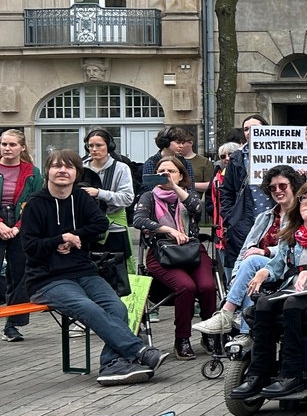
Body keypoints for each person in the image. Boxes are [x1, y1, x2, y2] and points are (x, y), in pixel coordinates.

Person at [23, 150, 169, 384]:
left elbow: (100, 224)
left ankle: (111, 364)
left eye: (69, 167)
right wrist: (60, 239)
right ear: (47, 171)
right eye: (57, 166)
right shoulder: (35, 205)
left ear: (76, 172)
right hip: (47, 279)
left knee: (117, 307)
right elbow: (29, 246)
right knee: (87, 306)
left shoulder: (81, 198)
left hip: (84, 272)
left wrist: (75, 236)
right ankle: (139, 351)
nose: (62, 171)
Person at [227, 179, 307, 399]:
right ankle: (258, 374)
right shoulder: (290, 236)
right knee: (264, 304)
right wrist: (264, 272)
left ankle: (292, 375)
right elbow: (277, 266)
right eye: (305, 198)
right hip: (293, 291)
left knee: (292, 305)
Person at [194, 165, 305, 341]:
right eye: (272, 187)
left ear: (294, 186)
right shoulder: (264, 217)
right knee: (249, 267)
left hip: (287, 267)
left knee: (253, 261)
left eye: (283, 186)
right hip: (257, 269)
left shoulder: (303, 216)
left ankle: (226, 314)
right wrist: (236, 277)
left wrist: (265, 251)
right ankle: (245, 335)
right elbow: (245, 251)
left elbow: (296, 247)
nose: (278, 190)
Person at [133, 153, 218, 360]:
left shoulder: (187, 194)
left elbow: (197, 209)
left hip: (192, 251)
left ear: (181, 176)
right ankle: (182, 338)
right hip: (163, 253)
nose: (165, 175)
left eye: (171, 171)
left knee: (207, 287)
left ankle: (209, 334)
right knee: (186, 287)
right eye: (161, 172)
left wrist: (176, 189)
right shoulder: (149, 197)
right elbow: (138, 220)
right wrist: (168, 230)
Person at [1, 129, 43, 341]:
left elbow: (35, 202)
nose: (7, 148)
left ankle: (13, 325)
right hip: (0, 220)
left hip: (21, 224)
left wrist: (18, 226)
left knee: (21, 275)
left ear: (22, 147)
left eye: (12, 145)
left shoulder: (32, 172)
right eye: (4, 144)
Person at [219, 114, 272, 270]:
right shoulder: (237, 158)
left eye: (254, 128)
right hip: (245, 219)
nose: (249, 132)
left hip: (275, 218)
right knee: (243, 264)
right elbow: (226, 191)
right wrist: (230, 217)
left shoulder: (281, 154)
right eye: (246, 129)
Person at [82, 129, 137, 277]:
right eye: (90, 145)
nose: (94, 149)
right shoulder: (81, 167)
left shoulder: (121, 168)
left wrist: (99, 193)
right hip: (86, 226)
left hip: (114, 226)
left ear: (109, 146)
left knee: (117, 271)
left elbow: (127, 198)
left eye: (99, 145)